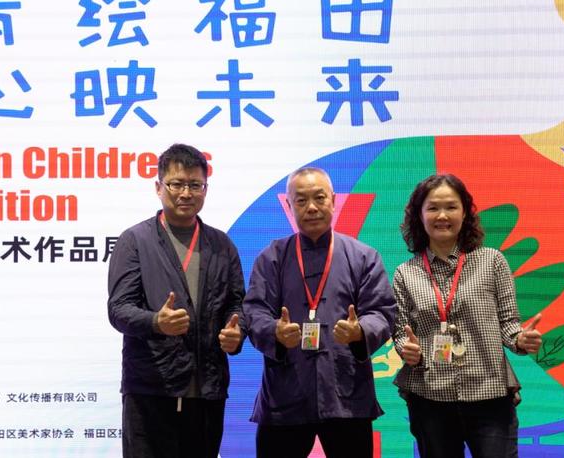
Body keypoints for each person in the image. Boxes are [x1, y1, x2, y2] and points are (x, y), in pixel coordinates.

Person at [243, 166, 396, 458]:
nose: (311, 207)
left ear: (333, 201)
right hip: (285, 395)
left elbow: (382, 311)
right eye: (301, 200)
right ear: (289, 206)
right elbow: (254, 310)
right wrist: (275, 332)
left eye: (319, 198)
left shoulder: (363, 256)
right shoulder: (271, 257)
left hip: (346, 395)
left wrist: (360, 331)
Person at [107, 143, 245, 458]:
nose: (186, 193)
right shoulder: (135, 241)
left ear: (206, 189)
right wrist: (156, 322)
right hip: (152, 390)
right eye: (176, 184)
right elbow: (118, 309)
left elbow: (237, 304)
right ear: (159, 188)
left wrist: (237, 333)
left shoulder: (222, 245)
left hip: (207, 391)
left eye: (195, 185)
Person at [392, 173, 543, 457]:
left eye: (451, 206)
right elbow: (401, 332)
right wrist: (406, 349)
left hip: (489, 393)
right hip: (430, 397)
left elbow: (508, 324)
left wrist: (520, 340)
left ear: (465, 212)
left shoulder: (492, 261)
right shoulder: (405, 273)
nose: (442, 216)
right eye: (433, 208)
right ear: (419, 215)